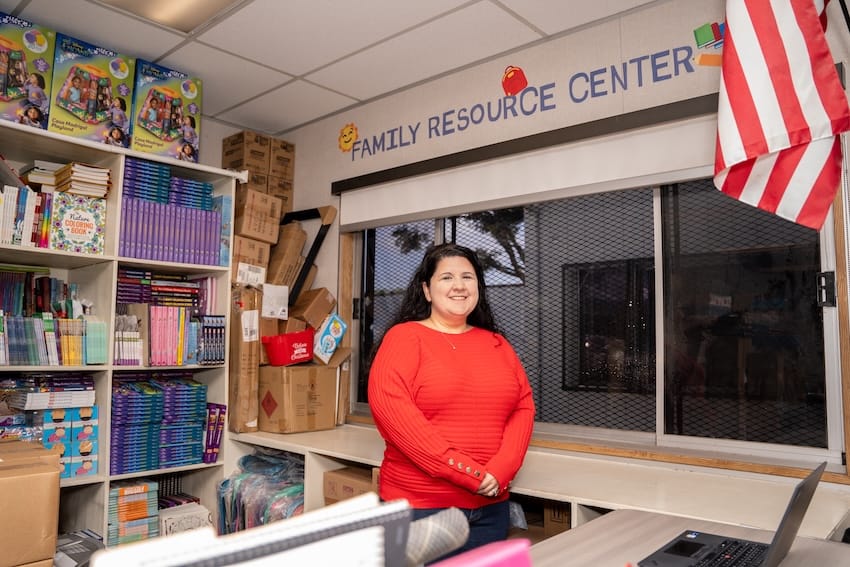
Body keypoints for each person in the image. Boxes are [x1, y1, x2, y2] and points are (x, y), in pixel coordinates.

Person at [368, 242, 535, 562]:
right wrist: (472, 475)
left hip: (491, 510)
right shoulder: (404, 338)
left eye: (467, 277)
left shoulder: (497, 344)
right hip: (421, 510)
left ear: (478, 288)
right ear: (427, 290)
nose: (458, 285)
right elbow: (397, 418)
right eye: (446, 277)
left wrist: (501, 471)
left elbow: (523, 406)